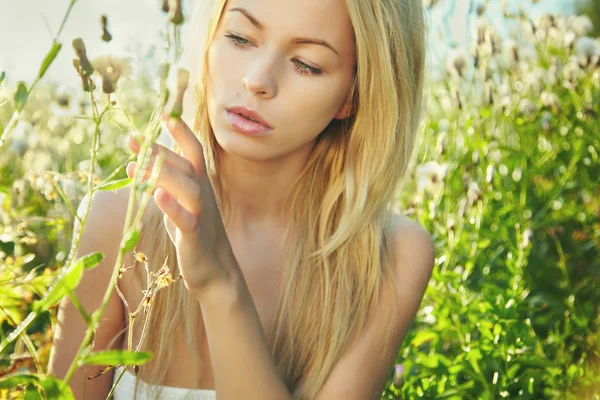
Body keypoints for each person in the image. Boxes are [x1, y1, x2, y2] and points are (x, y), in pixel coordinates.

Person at [48, 0, 434, 398]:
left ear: (353, 95)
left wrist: (220, 287)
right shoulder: (118, 222)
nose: (257, 79)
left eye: (306, 64)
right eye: (239, 37)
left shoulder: (392, 256)